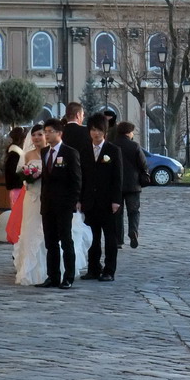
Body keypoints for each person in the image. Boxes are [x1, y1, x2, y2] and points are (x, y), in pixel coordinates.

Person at [38, 117, 82, 289]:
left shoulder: (70, 152)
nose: (46, 135)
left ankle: (68, 276)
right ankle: (52, 276)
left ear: (59, 133)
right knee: (50, 243)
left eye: (50, 132)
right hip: (47, 204)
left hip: (63, 205)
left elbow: (76, 180)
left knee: (66, 241)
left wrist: (71, 203)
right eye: (45, 132)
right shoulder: (44, 152)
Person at [80, 112, 123, 281]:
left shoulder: (113, 150)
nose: (95, 133)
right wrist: (80, 199)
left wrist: (116, 200)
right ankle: (93, 268)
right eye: (92, 130)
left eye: (99, 130)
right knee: (92, 238)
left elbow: (117, 178)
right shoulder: (84, 151)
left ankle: (109, 270)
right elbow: (82, 177)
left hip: (108, 202)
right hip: (89, 201)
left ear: (104, 131)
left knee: (110, 238)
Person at [13, 124, 48, 286]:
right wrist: (29, 176)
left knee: (46, 232)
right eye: (34, 135)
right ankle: (29, 270)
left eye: (40, 134)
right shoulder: (27, 155)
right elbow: (22, 175)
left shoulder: (51, 153)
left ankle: (49, 269)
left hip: (47, 197)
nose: (36, 138)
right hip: (31, 197)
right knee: (30, 230)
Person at [112, 121, 148, 249]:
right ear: (128, 132)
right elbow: (143, 164)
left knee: (117, 213)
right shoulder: (134, 146)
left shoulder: (112, 145)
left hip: (116, 185)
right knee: (134, 211)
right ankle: (133, 231)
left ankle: (118, 240)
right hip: (133, 184)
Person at [3, 126, 27, 207]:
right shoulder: (15, 155)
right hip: (18, 189)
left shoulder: (14, 154)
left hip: (17, 189)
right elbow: (14, 173)